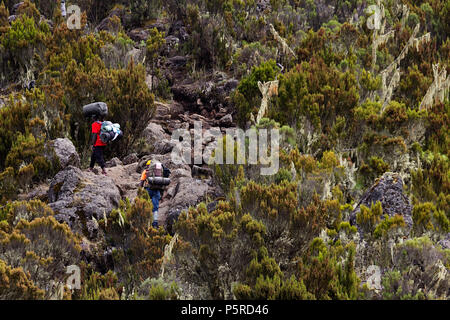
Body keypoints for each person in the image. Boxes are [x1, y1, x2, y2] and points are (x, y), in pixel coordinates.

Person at [140, 160, 163, 228]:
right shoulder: (159, 172)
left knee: (145, 204)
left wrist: (140, 191)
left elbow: (141, 182)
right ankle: (155, 223)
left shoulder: (146, 172)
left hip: (148, 190)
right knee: (155, 208)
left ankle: (144, 221)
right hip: (157, 191)